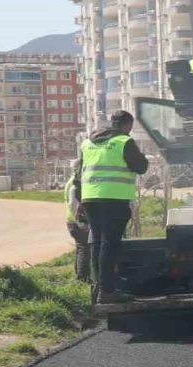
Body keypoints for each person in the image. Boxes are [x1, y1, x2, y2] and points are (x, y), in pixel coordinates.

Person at [76, 110, 149, 302]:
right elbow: (141, 167)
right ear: (127, 126)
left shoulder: (87, 143)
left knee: (97, 243)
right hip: (114, 199)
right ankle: (107, 291)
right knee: (110, 244)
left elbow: (78, 174)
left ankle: (99, 288)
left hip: (91, 198)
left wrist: (80, 200)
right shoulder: (123, 142)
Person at [63, 160, 91, 283]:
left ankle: (80, 277)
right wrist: (81, 222)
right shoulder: (75, 184)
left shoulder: (71, 182)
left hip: (72, 221)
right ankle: (82, 279)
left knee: (81, 249)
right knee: (84, 249)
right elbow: (73, 203)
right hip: (77, 222)